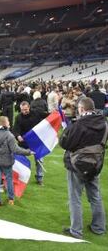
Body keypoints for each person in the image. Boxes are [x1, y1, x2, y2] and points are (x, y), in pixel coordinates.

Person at [60, 97, 107, 239]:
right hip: (95, 164)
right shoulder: (104, 123)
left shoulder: (78, 124)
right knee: (95, 196)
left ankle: (76, 231)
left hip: (76, 165)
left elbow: (65, 143)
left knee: (75, 198)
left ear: (81, 109)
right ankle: (99, 227)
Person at [0, 116, 34, 207]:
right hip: (7, 162)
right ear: (5, 123)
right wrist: (28, 152)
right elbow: (16, 150)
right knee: (9, 180)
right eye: (8, 122)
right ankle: (11, 199)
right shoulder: (9, 135)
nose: (10, 123)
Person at [13, 101, 48, 185]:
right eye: (22, 110)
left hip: (36, 142)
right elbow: (15, 129)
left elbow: (47, 116)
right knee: (19, 160)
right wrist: (18, 136)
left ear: (29, 107)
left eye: (25, 109)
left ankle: (39, 178)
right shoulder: (18, 117)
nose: (24, 111)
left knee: (39, 160)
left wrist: (56, 113)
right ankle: (20, 177)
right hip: (23, 143)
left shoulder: (36, 113)